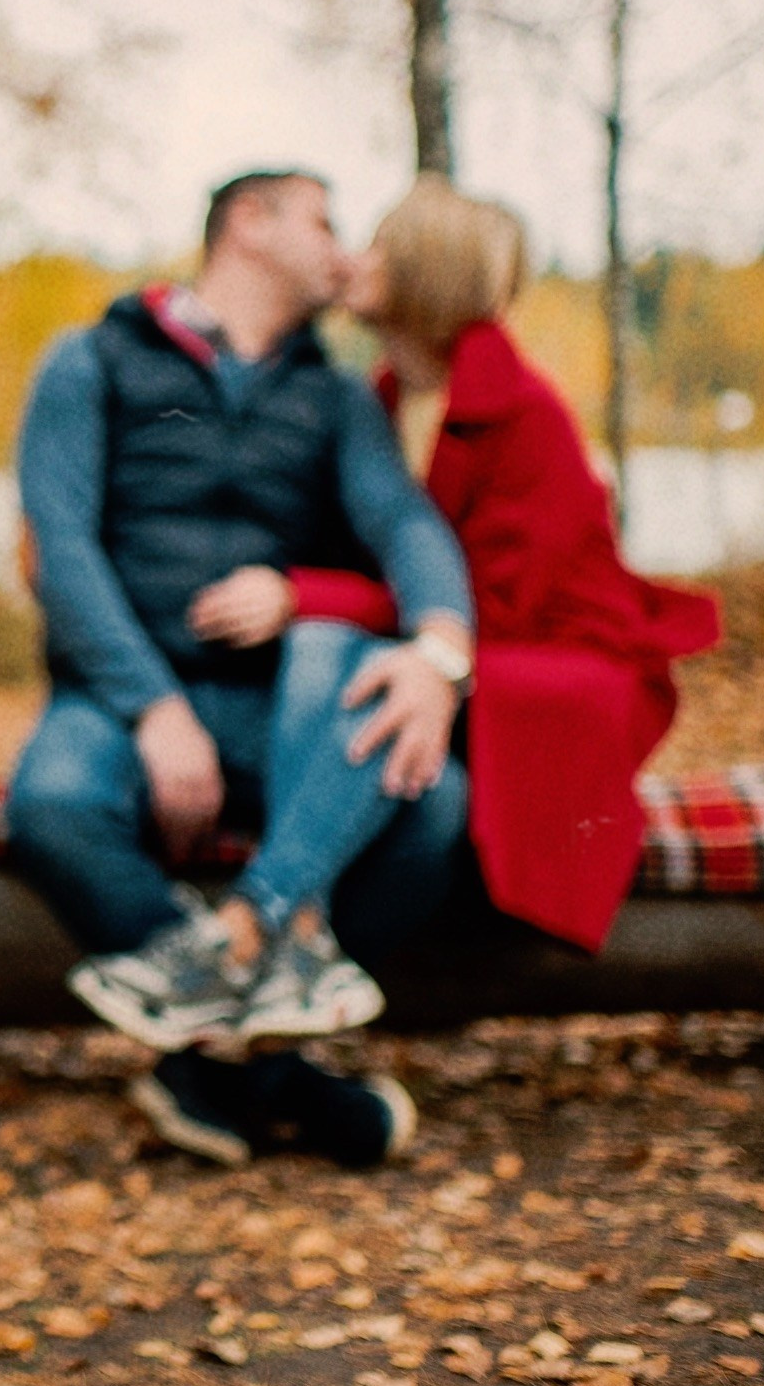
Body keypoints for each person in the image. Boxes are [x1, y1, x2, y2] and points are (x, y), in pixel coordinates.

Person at [8, 169, 474, 1167]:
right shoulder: (92, 358)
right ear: (248, 223)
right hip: (121, 698)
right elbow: (61, 547)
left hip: (275, 703)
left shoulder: (334, 393)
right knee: (50, 800)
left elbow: (401, 522)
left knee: (430, 803)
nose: (341, 247)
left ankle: (213, 1044)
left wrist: (439, 650)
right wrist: (153, 710)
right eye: (321, 220)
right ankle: (274, 1077)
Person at [267, 176, 720, 950]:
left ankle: (273, 919)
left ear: (425, 272)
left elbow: (494, 607)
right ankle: (292, 921)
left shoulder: (524, 414)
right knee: (335, 667)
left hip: (551, 663)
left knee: (335, 650)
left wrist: (308, 595)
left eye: (379, 245)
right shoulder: (384, 395)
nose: (356, 258)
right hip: (459, 650)